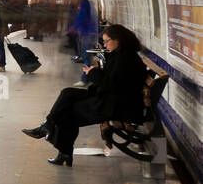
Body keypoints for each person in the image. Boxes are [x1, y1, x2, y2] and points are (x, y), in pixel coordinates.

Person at [21, 24, 147, 167]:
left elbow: (110, 85)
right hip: (112, 98)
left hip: (116, 105)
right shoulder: (122, 54)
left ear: (118, 39)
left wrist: (93, 73)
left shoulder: (125, 59)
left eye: (107, 41)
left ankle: (61, 148)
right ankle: (49, 126)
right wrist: (94, 71)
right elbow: (112, 81)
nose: (105, 45)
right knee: (67, 93)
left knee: (67, 113)